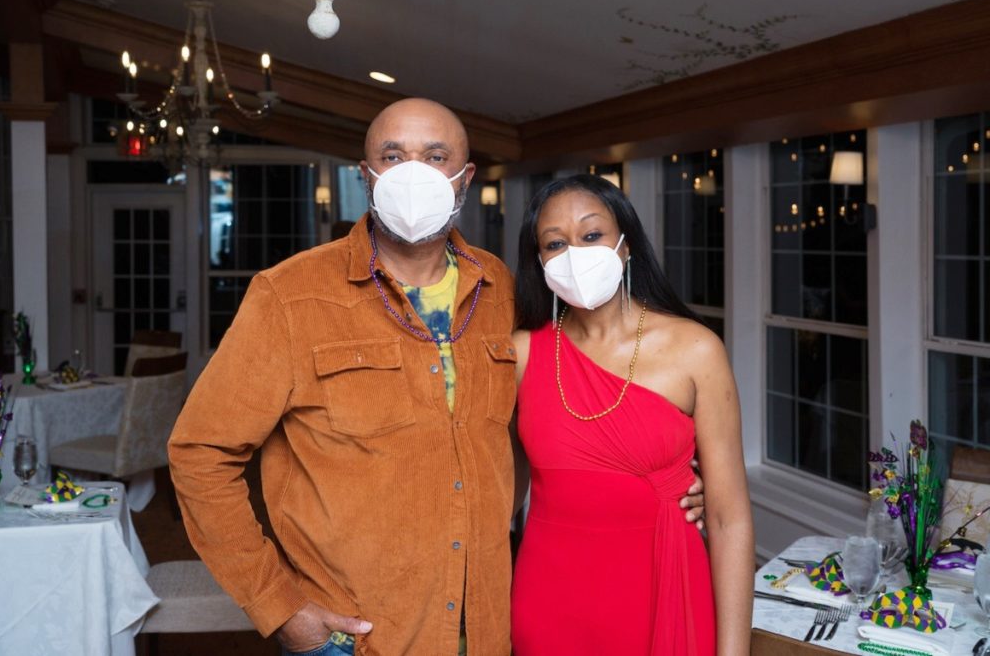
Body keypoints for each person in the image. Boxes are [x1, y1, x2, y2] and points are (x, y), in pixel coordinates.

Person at [169, 99, 704, 656]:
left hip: (489, 622)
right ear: (366, 175)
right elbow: (199, 454)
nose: (413, 173)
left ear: (464, 178)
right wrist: (279, 606)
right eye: (393, 155)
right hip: (356, 634)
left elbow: (571, 401)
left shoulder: (501, 291)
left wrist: (673, 476)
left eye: (435, 155)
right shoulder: (290, 296)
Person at [509, 174, 754, 655]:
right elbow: (494, 485)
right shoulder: (519, 355)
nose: (575, 253)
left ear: (625, 245)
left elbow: (729, 519)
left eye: (592, 235)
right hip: (549, 599)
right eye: (555, 243)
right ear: (539, 263)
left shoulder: (695, 349)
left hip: (664, 585)